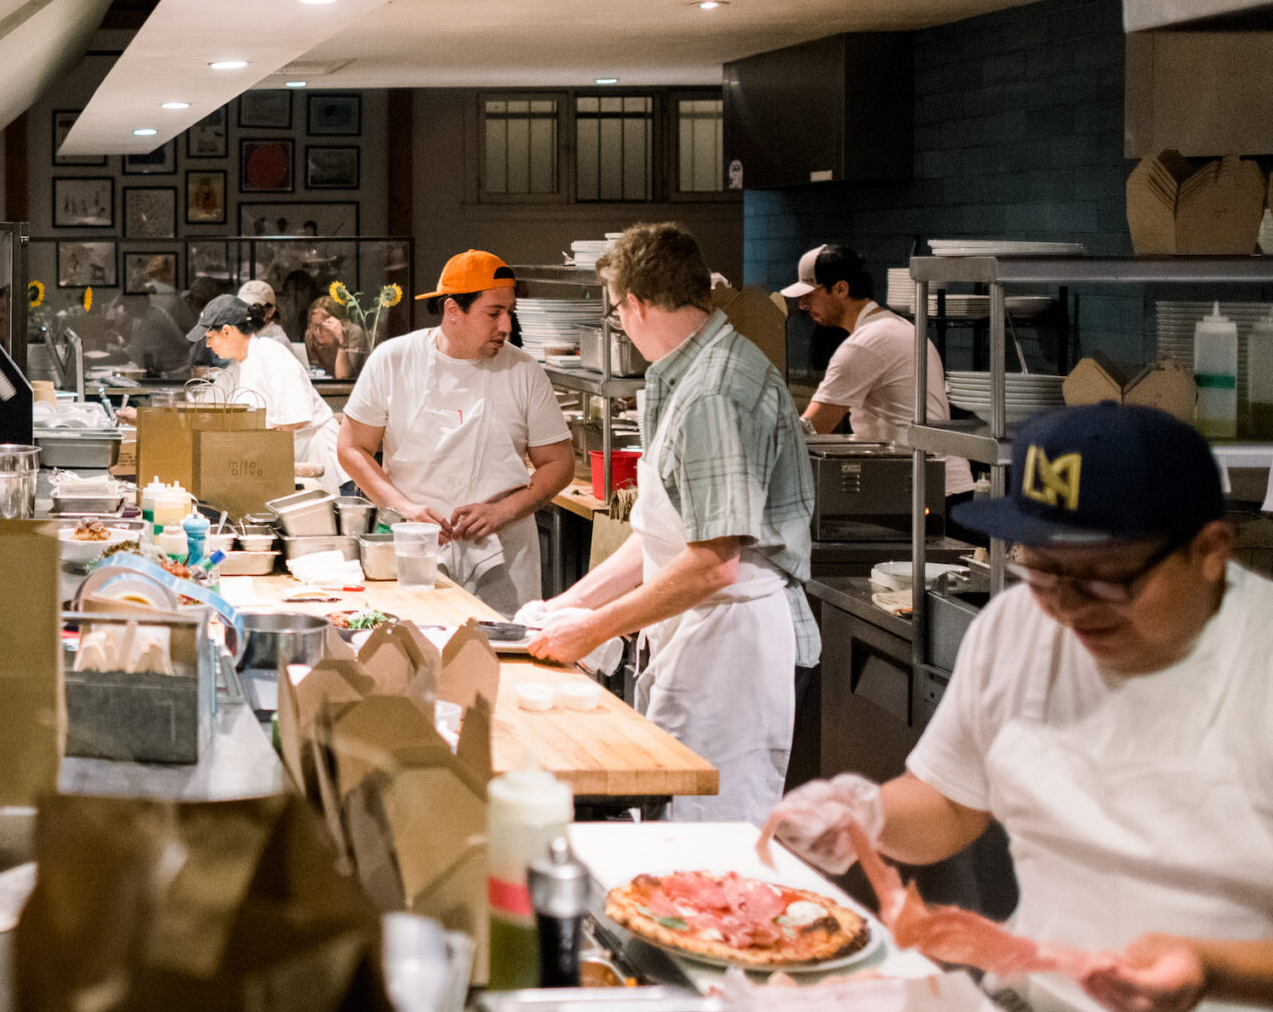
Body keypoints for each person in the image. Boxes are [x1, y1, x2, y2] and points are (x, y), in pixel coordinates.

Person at [766, 403, 1272, 1012]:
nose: (1069, 606)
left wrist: (1209, 967)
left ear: (1210, 549)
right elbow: (951, 800)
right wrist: (866, 814)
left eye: (1107, 576)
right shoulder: (1016, 625)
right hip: (1034, 996)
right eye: (1043, 569)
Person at [523, 223, 816, 823]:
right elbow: (666, 534)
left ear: (633, 304)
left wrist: (592, 629)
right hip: (701, 630)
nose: (618, 325)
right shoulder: (688, 372)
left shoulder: (714, 393)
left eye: (613, 312)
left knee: (706, 837)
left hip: (730, 643)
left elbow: (713, 564)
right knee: (671, 819)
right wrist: (566, 606)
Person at [337, 251, 573, 614]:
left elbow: (559, 463)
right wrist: (403, 508)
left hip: (506, 552)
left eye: (510, 312)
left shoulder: (524, 371)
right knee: (418, 649)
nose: (506, 326)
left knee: (507, 659)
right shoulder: (394, 360)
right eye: (494, 313)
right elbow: (352, 448)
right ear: (452, 310)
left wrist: (505, 511)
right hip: (417, 546)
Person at [782, 242, 975, 499]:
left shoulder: (864, 344)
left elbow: (813, 428)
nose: (804, 305)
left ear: (840, 289)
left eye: (810, 295)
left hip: (926, 489)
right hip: (944, 483)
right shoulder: (896, 327)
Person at [193, 294, 341, 486]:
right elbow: (205, 412)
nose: (207, 345)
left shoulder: (272, 354)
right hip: (281, 467)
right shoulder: (233, 370)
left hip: (317, 466)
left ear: (228, 332)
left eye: (210, 337)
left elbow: (296, 418)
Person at [304, 297, 362, 380]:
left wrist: (342, 342)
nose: (317, 332)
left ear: (335, 324)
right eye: (314, 326)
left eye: (321, 326)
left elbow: (342, 376)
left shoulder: (354, 333)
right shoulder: (310, 335)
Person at [237, 279, 292, 351]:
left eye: (254, 308)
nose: (247, 312)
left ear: (271, 311)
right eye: (242, 306)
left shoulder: (278, 341)